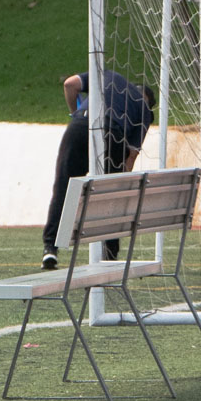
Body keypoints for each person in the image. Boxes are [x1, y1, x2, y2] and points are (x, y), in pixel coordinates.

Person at [41, 69, 155, 269]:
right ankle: (109, 254)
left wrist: (74, 114)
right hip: (112, 133)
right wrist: (121, 180)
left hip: (79, 126)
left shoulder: (108, 76)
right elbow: (131, 155)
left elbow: (69, 84)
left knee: (64, 188)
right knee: (111, 194)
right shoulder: (144, 110)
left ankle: (51, 248)